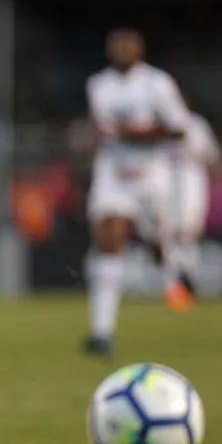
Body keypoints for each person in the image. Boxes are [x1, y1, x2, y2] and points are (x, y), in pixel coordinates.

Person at [84, 28, 190, 356]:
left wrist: (138, 133)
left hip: (151, 175)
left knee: (157, 242)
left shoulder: (158, 83)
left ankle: (173, 274)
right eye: (116, 45)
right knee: (109, 238)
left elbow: (179, 128)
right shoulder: (98, 85)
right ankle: (101, 331)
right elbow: (103, 128)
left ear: (140, 50)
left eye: (127, 45)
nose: (122, 50)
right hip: (113, 172)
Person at [162, 110, 220, 306]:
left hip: (191, 181)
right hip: (166, 181)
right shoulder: (160, 121)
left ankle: (186, 279)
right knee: (168, 233)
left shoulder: (196, 124)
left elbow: (211, 154)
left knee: (189, 231)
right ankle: (174, 284)